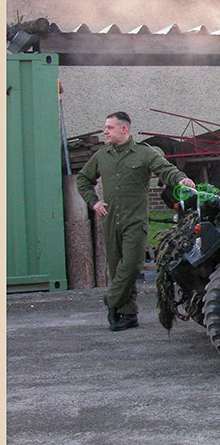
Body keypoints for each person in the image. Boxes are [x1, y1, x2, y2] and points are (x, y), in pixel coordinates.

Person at [77, 112, 196, 331]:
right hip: (110, 220)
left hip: (135, 220)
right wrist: (94, 202)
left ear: (123, 129)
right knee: (117, 269)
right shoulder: (102, 155)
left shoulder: (144, 153)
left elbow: (165, 169)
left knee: (131, 265)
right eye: (105, 127)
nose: (105, 131)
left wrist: (181, 178)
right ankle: (127, 314)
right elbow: (83, 179)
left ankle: (111, 301)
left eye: (109, 128)